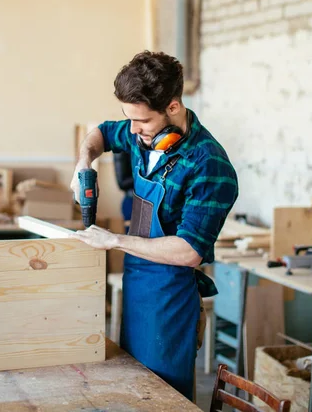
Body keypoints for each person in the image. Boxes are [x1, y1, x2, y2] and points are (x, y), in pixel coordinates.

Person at [70, 51, 238, 400]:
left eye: (142, 121)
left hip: (170, 298)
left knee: (164, 397)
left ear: (173, 107)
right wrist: (84, 161)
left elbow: (189, 251)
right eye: (128, 118)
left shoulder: (209, 166)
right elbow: (100, 133)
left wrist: (113, 240)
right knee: (132, 388)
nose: (132, 129)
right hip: (137, 286)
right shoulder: (140, 133)